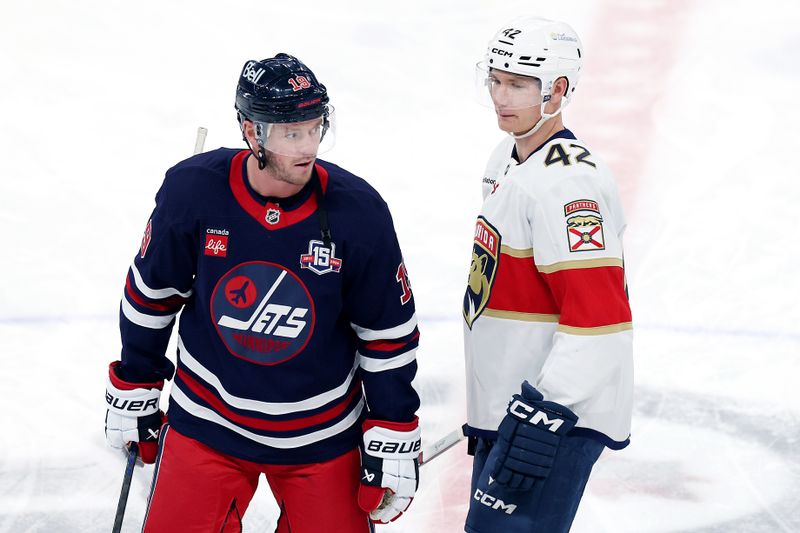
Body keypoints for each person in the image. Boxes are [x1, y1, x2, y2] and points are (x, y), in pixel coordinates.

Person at [104, 53, 422, 533]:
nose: (308, 146)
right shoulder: (193, 192)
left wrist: (394, 426)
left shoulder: (360, 214)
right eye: (291, 133)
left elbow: (387, 335)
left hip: (322, 437)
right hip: (207, 424)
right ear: (252, 132)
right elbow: (152, 296)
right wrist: (136, 381)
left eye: (316, 128)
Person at [462, 17, 633, 533]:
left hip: (553, 416)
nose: (500, 95)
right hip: (513, 407)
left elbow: (599, 321)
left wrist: (545, 410)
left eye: (517, 84)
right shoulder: (507, 160)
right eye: (495, 79)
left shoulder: (568, 185)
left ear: (557, 89)